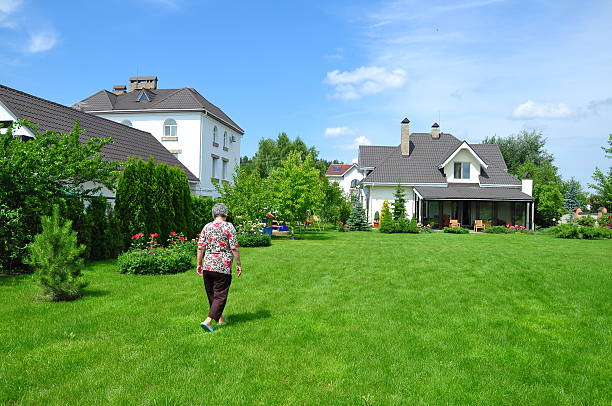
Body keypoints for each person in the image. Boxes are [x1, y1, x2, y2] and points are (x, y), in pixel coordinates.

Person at [196, 203, 242, 332]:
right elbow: (234, 247)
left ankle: (220, 319)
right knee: (220, 295)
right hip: (223, 266)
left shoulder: (207, 226)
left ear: (213, 214)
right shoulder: (229, 226)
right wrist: (238, 264)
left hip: (208, 266)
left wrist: (199, 264)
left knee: (212, 294)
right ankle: (208, 321)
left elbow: (200, 246)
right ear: (226, 214)